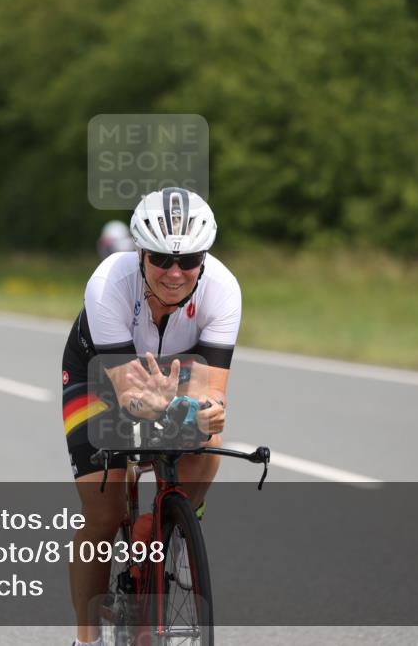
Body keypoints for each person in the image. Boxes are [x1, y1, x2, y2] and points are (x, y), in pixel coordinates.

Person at [61, 188, 241, 646]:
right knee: (102, 514)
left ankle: (173, 524)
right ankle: (87, 640)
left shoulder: (223, 290)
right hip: (98, 372)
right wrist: (158, 406)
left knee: (205, 441)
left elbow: (211, 392)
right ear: (140, 252)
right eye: (161, 259)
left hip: (178, 371)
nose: (175, 273)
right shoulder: (108, 284)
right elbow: (130, 398)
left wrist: (204, 412)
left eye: (190, 260)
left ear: (205, 257)